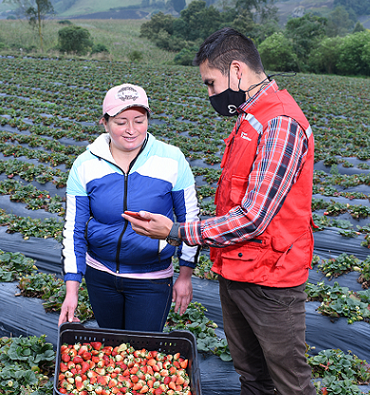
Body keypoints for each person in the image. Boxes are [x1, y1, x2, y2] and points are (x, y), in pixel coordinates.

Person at [124, 28, 316, 395]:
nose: (211, 94)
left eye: (211, 83)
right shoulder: (252, 116)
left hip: (271, 280)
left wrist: (176, 231)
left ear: (237, 72)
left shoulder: (279, 123)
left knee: (290, 383)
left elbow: (253, 217)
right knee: (252, 375)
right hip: (241, 267)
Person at [58, 83, 200, 332]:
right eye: (121, 121)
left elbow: (189, 219)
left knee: (141, 353)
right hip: (100, 276)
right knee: (113, 348)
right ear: (105, 122)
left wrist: (185, 275)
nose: (131, 130)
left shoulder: (171, 160)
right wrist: (72, 288)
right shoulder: (85, 165)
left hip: (151, 279)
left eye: (139, 120)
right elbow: (74, 229)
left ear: (148, 119)